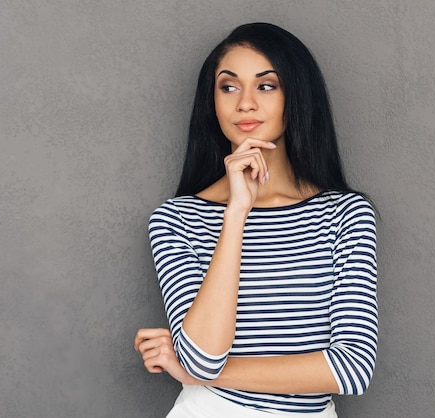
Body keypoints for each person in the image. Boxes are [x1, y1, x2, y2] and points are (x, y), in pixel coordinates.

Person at [134, 22, 377, 418]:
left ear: (295, 96)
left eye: (266, 85)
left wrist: (198, 373)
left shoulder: (344, 214)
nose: (244, 103)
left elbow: (352, 369)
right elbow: (202, 357)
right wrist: (236, 213)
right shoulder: (177, 219)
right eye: (228, 87)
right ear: (211, 102)